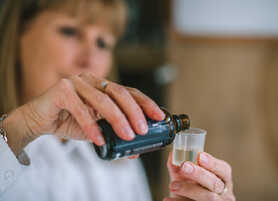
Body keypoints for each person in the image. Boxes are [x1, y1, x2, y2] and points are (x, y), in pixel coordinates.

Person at [0, 1, 235, 201]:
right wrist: (23, 126)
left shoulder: (119, 156)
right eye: (69, 31)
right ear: (17, 34)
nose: (89, 59)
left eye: (102, 43)